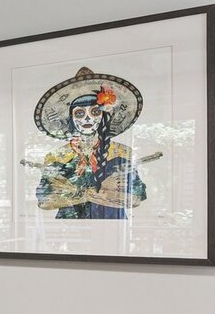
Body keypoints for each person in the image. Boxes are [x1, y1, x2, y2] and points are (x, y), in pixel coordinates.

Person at [32, 66, 146, 219]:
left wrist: (104, 195)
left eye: (95, 112)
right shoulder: (57, 156)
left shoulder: (121, 152)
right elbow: (44, 201)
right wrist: (84, 195)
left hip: (112, 224)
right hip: (71, 227)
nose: (87, 118)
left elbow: (136, 197)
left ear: (104, 116)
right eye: (80, 113)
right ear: (71, 118)